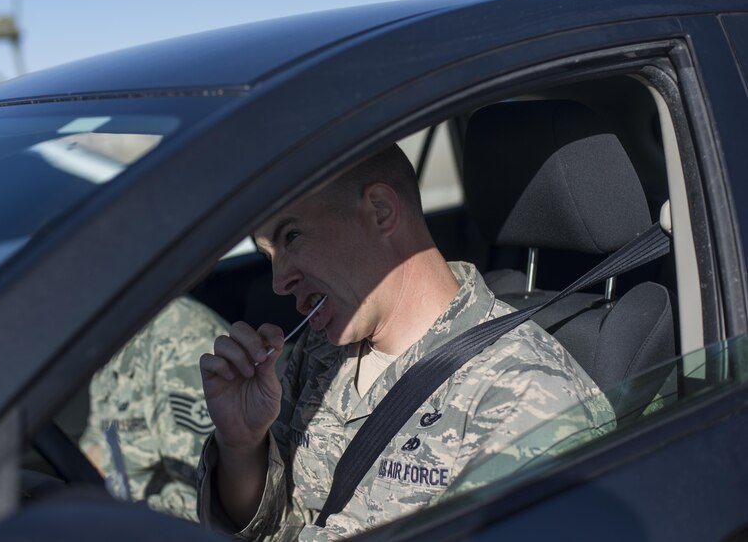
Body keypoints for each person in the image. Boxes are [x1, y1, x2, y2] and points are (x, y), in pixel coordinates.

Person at [197, 145, 615, 540]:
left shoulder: (527, 395)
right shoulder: (320, 352)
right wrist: (242, 445)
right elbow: (278, 527)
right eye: (269, 255)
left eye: (291, 237)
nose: (278, 280)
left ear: (380, 211)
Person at [80, 296, 230, 522]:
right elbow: (94, 449)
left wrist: (107, 521)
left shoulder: (182, 341)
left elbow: (209, 505)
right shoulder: (111, 337)